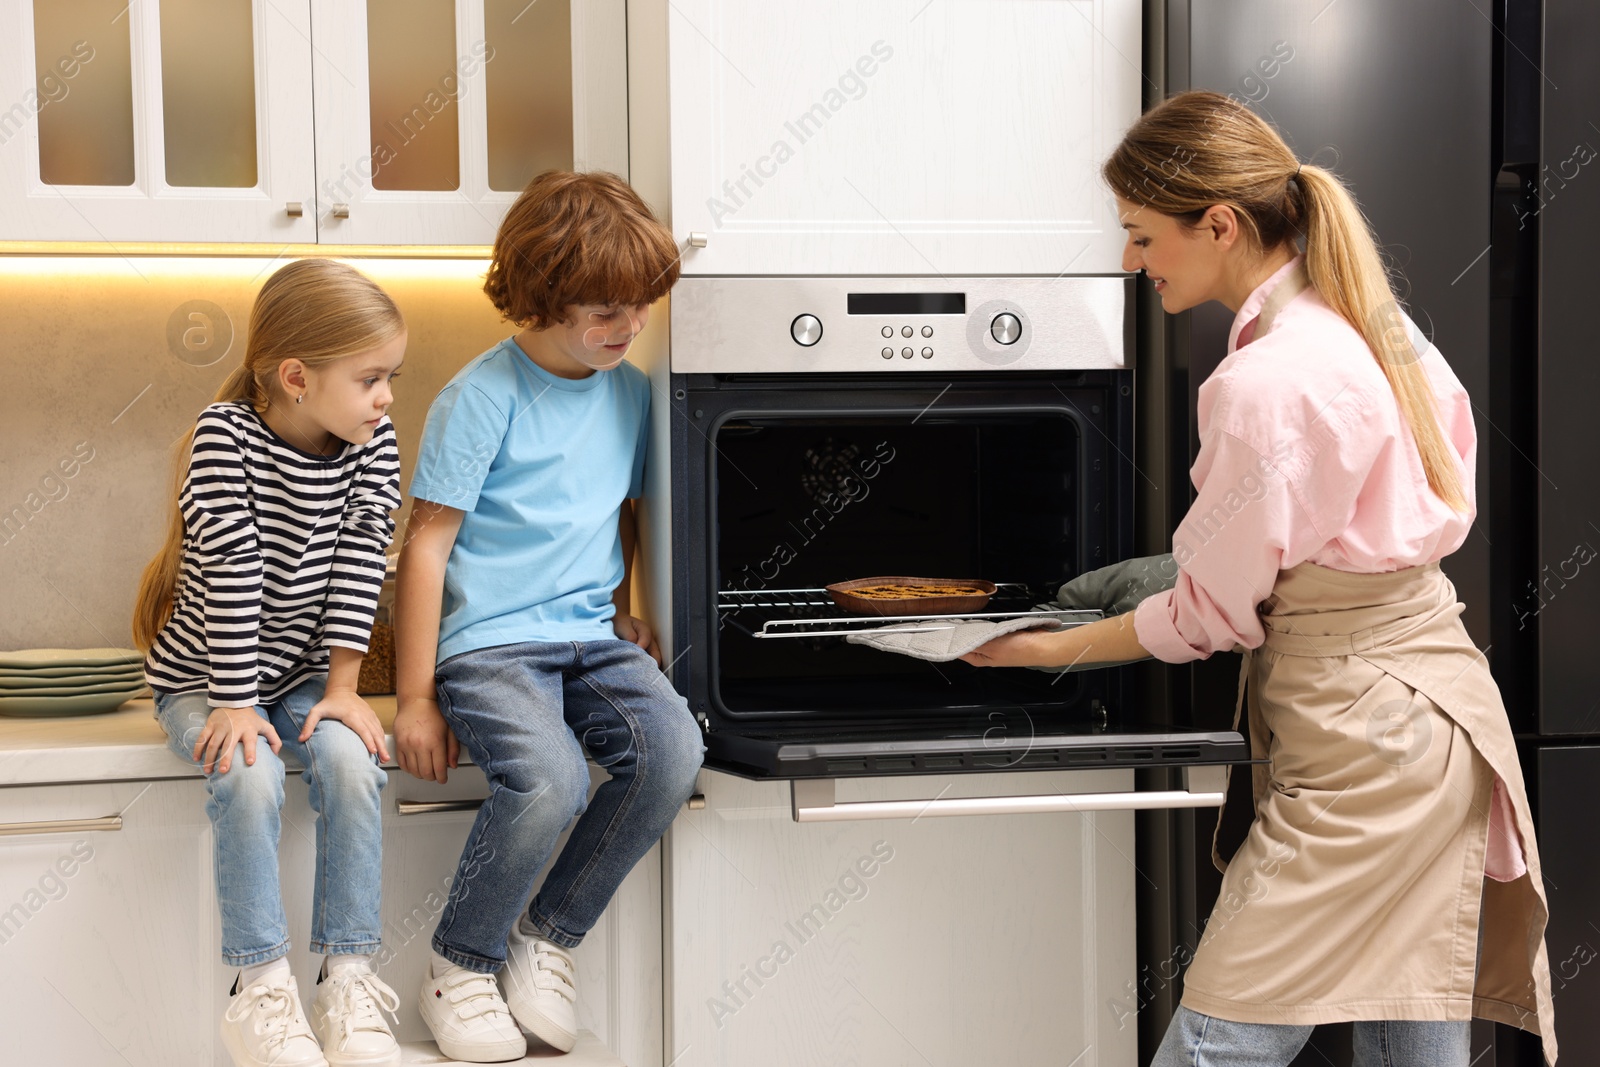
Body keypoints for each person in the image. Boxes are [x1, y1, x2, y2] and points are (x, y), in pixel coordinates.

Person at [963, 90, 1556, 1066]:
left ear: (1221, 223)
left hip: (1360, 752)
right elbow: (1341, 541)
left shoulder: (1262, 382)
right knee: (1411, 1039)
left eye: (1142, 236)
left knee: (1216, 1043)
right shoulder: (1372, 322)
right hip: (1435, 724)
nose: (1129, 262)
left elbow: (1209, 615)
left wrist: (1044, 652)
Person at [394, 169, 705, 1062]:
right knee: (553, 778)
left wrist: (624, 610)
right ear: (538, 296)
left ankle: (547, 937)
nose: (629, 325)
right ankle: (460, 963)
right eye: (604, 309)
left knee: (675, 753)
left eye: (639, 305)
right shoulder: (479, 396)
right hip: (490, 647)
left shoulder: (631, 390)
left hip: (589, 640)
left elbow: (621, 512)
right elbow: (426, 548)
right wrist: (417, 699)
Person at [134, 258, 408, 1067]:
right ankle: (259, 989)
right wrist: (233, 700)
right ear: (296, 378)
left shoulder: (372, 439)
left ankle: (347, 980)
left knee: (353, 760)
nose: (388, 396)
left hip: (292, 677)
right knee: (249, 768)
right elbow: (234, 570)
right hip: (203, 679)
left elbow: (364, 561)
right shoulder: (226, 436)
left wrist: (347, 690)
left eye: (392, 376)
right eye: (371, 378)